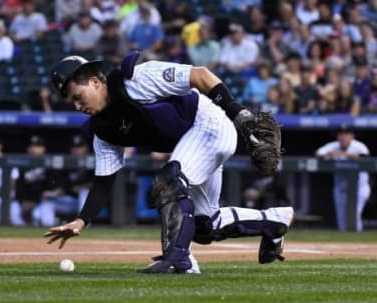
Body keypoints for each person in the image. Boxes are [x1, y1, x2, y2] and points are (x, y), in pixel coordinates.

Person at [44, 51, 294, 273]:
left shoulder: (136, 79)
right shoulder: (102, 130)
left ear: (96, 82)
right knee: (205, 226)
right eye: (72, 101)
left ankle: (178, 260)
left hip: (209, 122)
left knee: (168, 182)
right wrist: (81, 220)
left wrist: (237, 112)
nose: (77, 105)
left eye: (78, 95)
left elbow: (201, 75)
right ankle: (275, 221)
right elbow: (104, 181)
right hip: (192, 144)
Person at [315, 126, 370, 232]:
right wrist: (329, 154)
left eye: (346, 134)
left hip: (359, 188)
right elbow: (318, 153)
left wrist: (343, 155)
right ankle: (346, 242)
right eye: (340, 134)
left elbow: (365, 156)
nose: (342, 137)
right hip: (340, 188)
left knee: (354, 214)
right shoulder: (333, 145)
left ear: (351, 136)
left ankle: (356, 240)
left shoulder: (358, 146)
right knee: (341, 218)